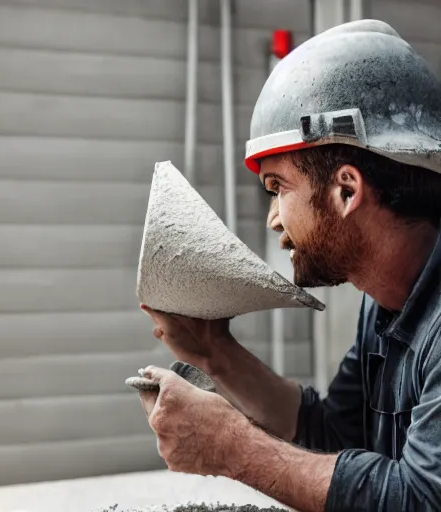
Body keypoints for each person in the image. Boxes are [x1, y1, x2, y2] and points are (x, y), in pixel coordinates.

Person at [137, 19, 441, 512]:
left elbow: (421, 500)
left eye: (278, 188)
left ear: (347, 189)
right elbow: (336, 435)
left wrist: (231, 447)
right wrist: (215, 352)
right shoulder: (387, 307)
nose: (274, 219)